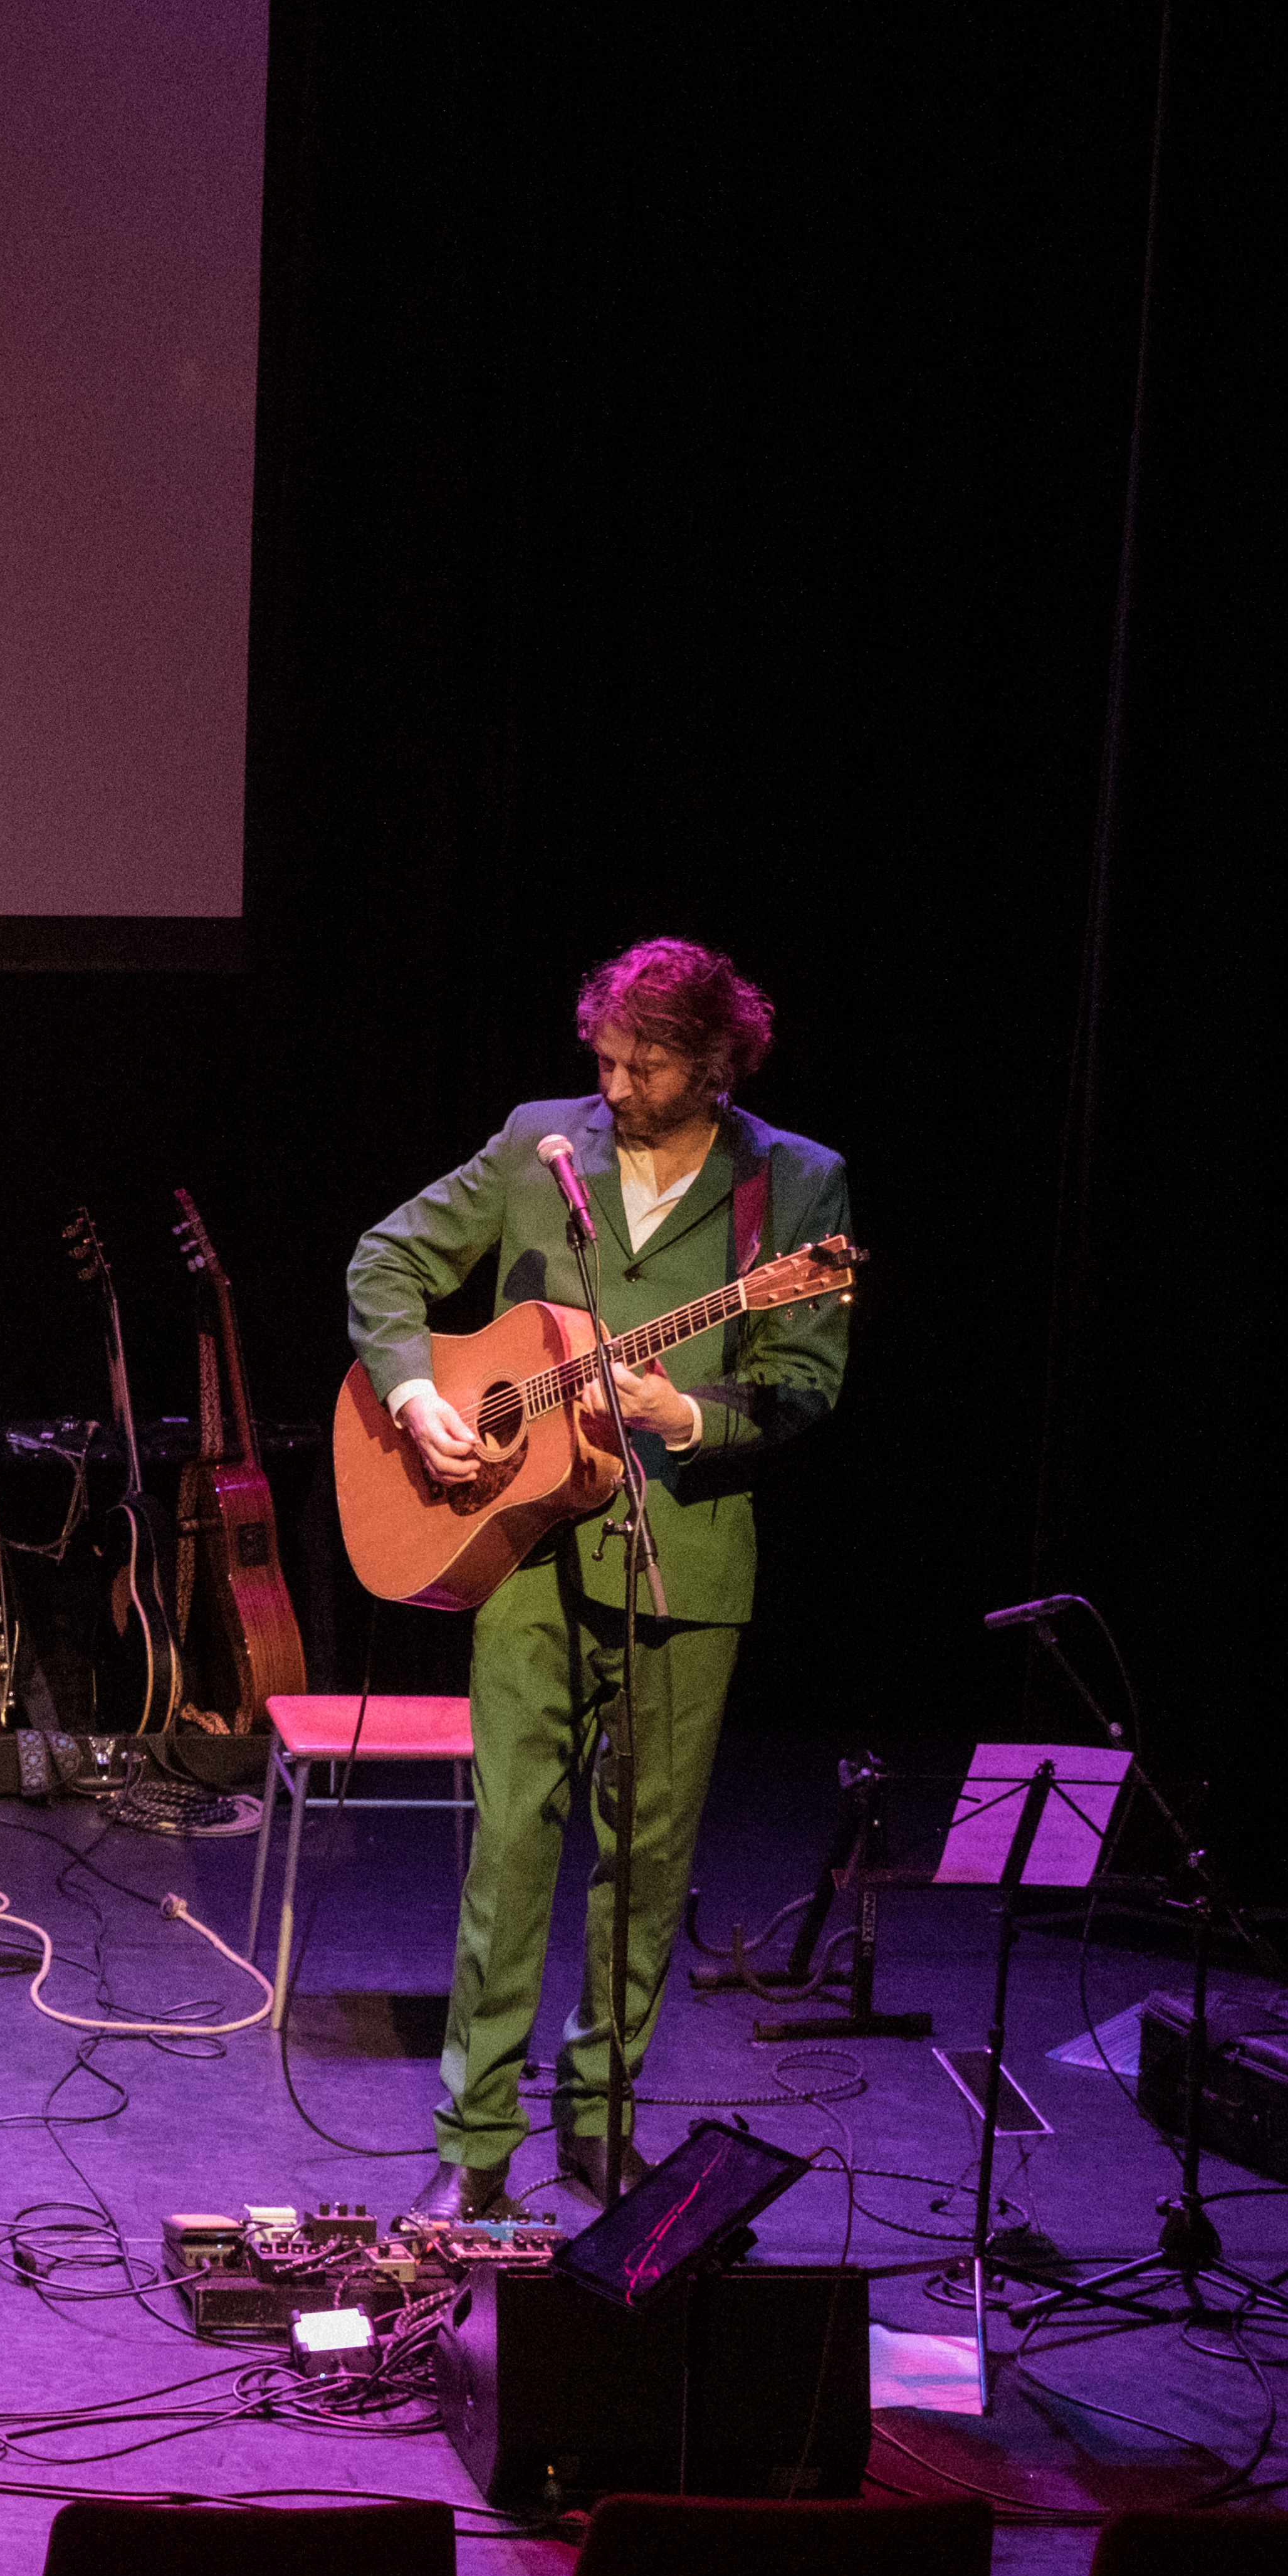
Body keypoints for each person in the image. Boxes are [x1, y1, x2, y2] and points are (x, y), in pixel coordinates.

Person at [343, 938, 853, 2216]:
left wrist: (682, 1415)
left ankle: (602, 2119)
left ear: (719, 1062)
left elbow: (804, 1380)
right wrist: (414, 1394)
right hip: (518, 1552)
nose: (616, 1082)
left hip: (682, 1556)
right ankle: (471, 2150)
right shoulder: (537, 1142)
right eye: (607, 1055)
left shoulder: (792, 1186)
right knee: (510, 1851)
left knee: (650, 1860)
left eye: (649, 1062)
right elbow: (385, 1263)